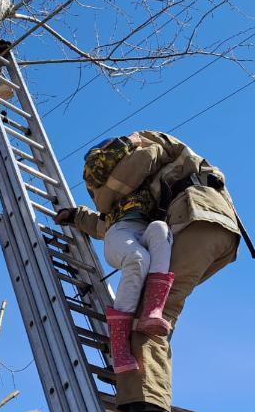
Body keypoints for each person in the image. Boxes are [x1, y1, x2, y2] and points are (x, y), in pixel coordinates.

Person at [57, 131, 255, 412]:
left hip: (195, 219)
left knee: (151, 315)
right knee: (161, 310)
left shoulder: (150, 150)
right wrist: (80, 215)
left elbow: (115, 200)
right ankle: (144, 394)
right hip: (216, 231)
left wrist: (125, 152)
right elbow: (111, 222)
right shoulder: (152, 188)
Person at [55, 136, 176, 374]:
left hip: (145, 228)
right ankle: (119, 343)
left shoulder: (148, 189)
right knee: (137, 259)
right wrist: (74, 215)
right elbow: (95, 171)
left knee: (161, 230)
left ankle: (153, 310)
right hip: (119, 233)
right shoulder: (110, 198)